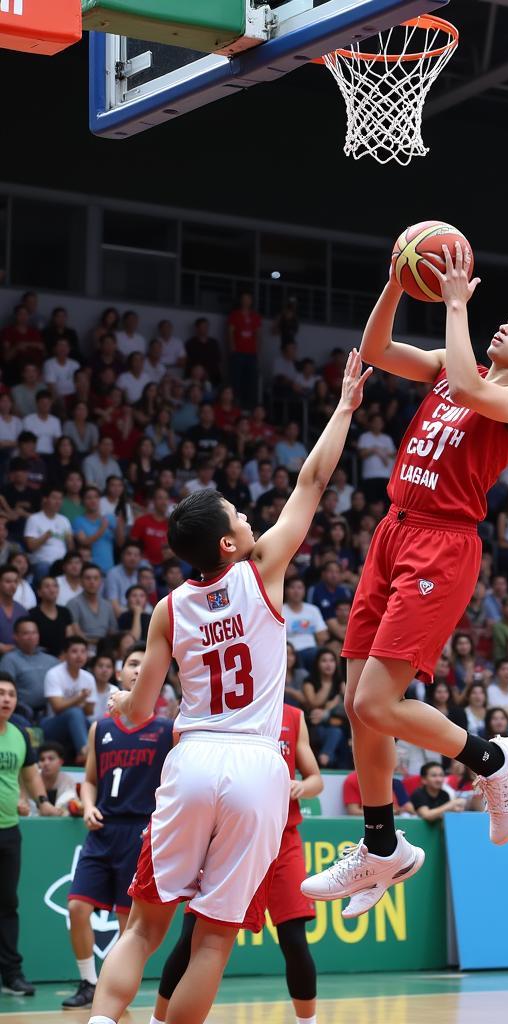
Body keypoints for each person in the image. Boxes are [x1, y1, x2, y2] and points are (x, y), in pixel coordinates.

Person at [87, 349, 370, 1024]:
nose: (249, 519)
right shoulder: (262, 570)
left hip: (189, 762)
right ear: (228, 545)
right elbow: (313, 481)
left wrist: (119, 701)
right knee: (213, 939)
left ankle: (101, 1021)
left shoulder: (168, 609)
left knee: (144, 929)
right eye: (240, 515)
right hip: (255, 765)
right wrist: (343, 407)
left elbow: (139, 710)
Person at [301, 240, 508, 916]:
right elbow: (375, 347)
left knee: (376, 704)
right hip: (393, 532)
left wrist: (456, 304)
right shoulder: (447, 368)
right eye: (506, 318)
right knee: (357, 707)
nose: (504, 326)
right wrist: (399, 280)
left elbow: (468, 384)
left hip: (442, 546)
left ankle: (495, 758)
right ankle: (380, 846)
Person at [153, 703, 323, 1024]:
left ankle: (307, 1022)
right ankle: (157, 1020)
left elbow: (316, 779)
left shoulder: (294, 716)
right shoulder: (217, 705)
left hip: (282, 840)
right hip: (230, 833)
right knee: (190, 938)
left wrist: (301, 786)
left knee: (293, 938)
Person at [62, 645, 173, 1009]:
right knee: (78, 906)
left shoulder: (167, 730)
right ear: (121, 674)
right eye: (132, 664)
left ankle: (116, 995)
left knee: (130, 927)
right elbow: (90, 779)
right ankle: (88, 982)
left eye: (146, 665)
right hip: (102, 830)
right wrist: (88, 806)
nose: (139, 670)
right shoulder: (102, 727)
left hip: (140, 833)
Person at [0, 676, 60, 997]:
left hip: (9, 830)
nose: (6, 699)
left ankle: (12, 975)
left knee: (8, 904)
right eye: (0, 694)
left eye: (10, 694)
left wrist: (43, 804)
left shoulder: (20, 735)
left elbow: (30, 775)